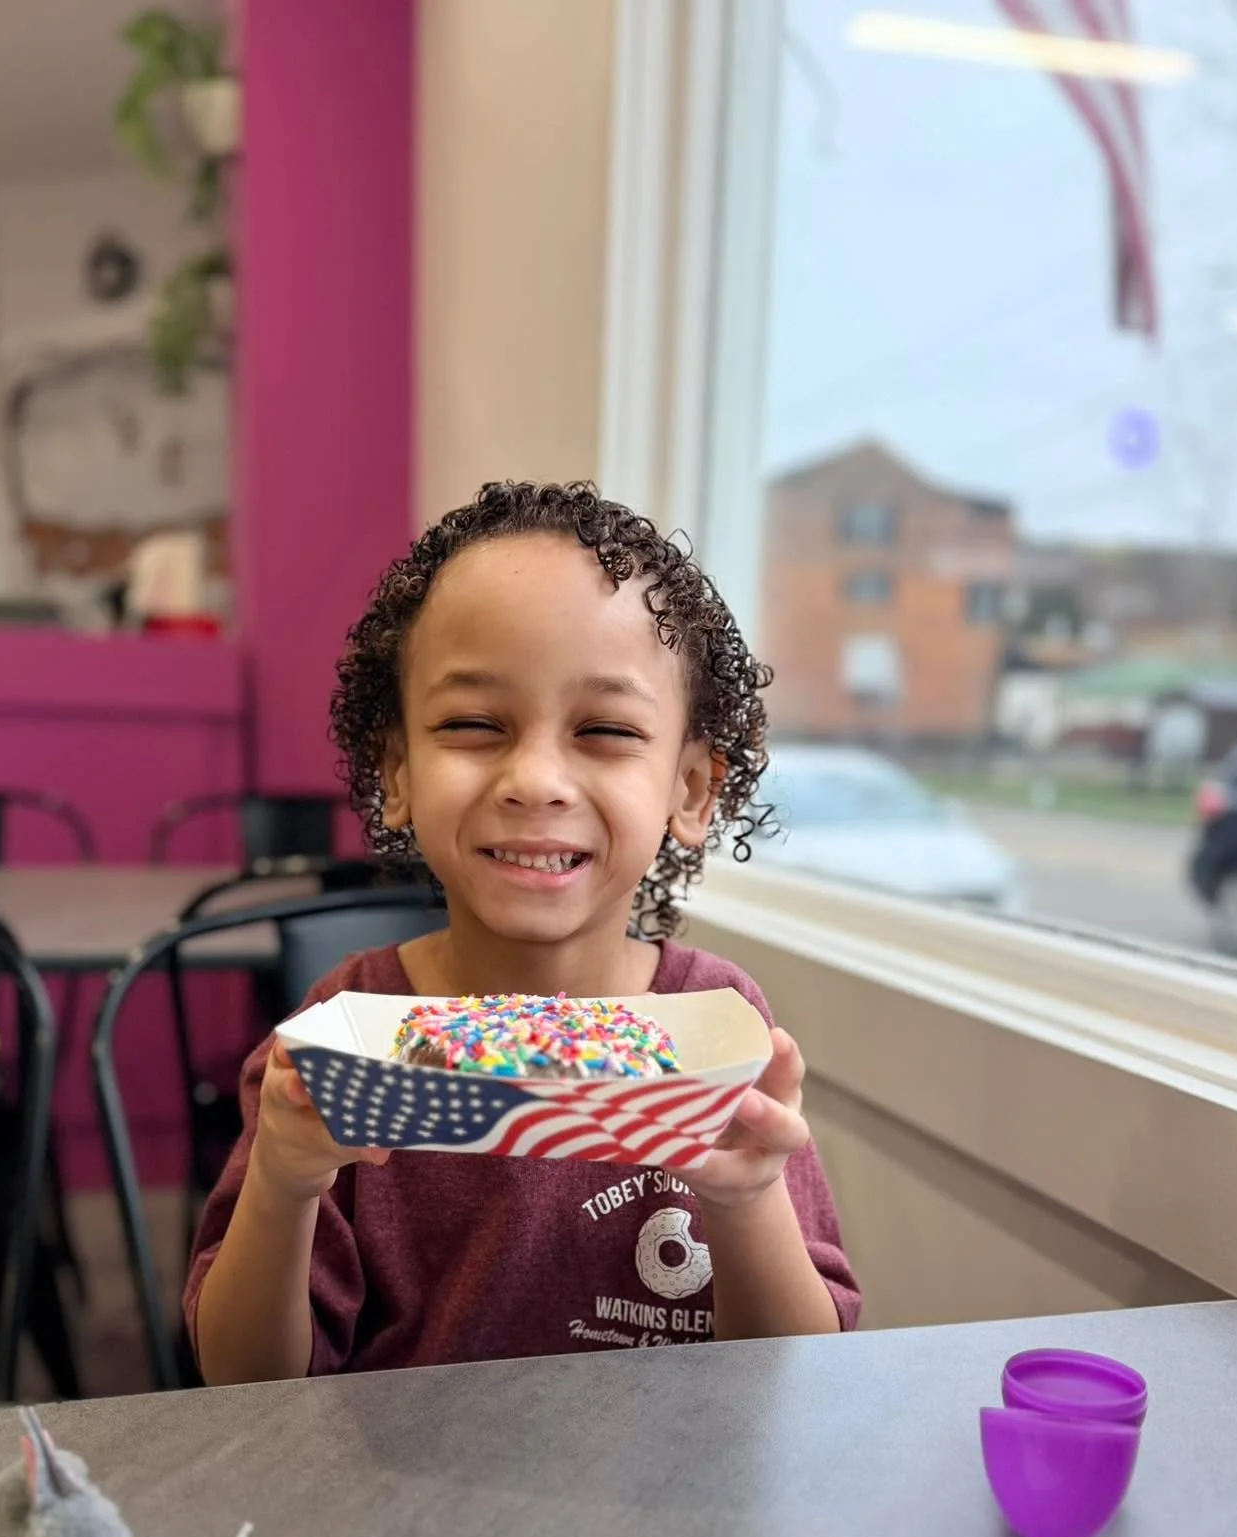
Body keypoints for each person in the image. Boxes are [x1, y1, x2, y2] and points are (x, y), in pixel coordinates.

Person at [188, 482, 860, 1382]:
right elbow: (241, 1379)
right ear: (397, 771)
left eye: (607, 729)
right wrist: (285, 1177)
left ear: (692, 790)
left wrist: (744, 1200)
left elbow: (800, 1373)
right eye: (472, 724)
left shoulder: (716, 1024)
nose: (535, 778)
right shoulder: (345, 1029)